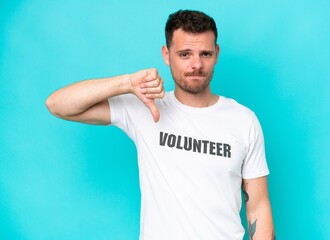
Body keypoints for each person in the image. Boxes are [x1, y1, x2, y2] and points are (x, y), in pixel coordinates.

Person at [46, 9, 275, 240]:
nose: (196, 64)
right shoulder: (143, 108)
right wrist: (126, 83)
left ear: (216, 54)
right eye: (185, 54)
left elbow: (258, 207)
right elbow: (58, 104)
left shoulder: (244, 120)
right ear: (166, 55)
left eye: (204, 54)